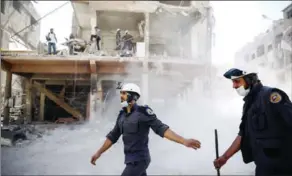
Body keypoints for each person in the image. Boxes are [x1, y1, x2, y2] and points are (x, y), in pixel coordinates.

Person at [91, 83, 201, 176]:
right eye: (121, 93)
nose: (121, 96)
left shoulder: (143, 112)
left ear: (133, 96)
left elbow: (161, 129)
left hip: (139, 160)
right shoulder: (122, 115)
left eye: (124, 93)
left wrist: (184, 141)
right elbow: (113, 136)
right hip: (130, 160)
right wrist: (99, 153)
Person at [213, 68, 292, 176]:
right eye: (233, 82)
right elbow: (242, 135)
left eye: (237, 81)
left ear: (250, 79)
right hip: (262, 168)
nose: (234, 86)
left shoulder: (271, 95)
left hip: (283, 167)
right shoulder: (248, 105)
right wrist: (224, 157)